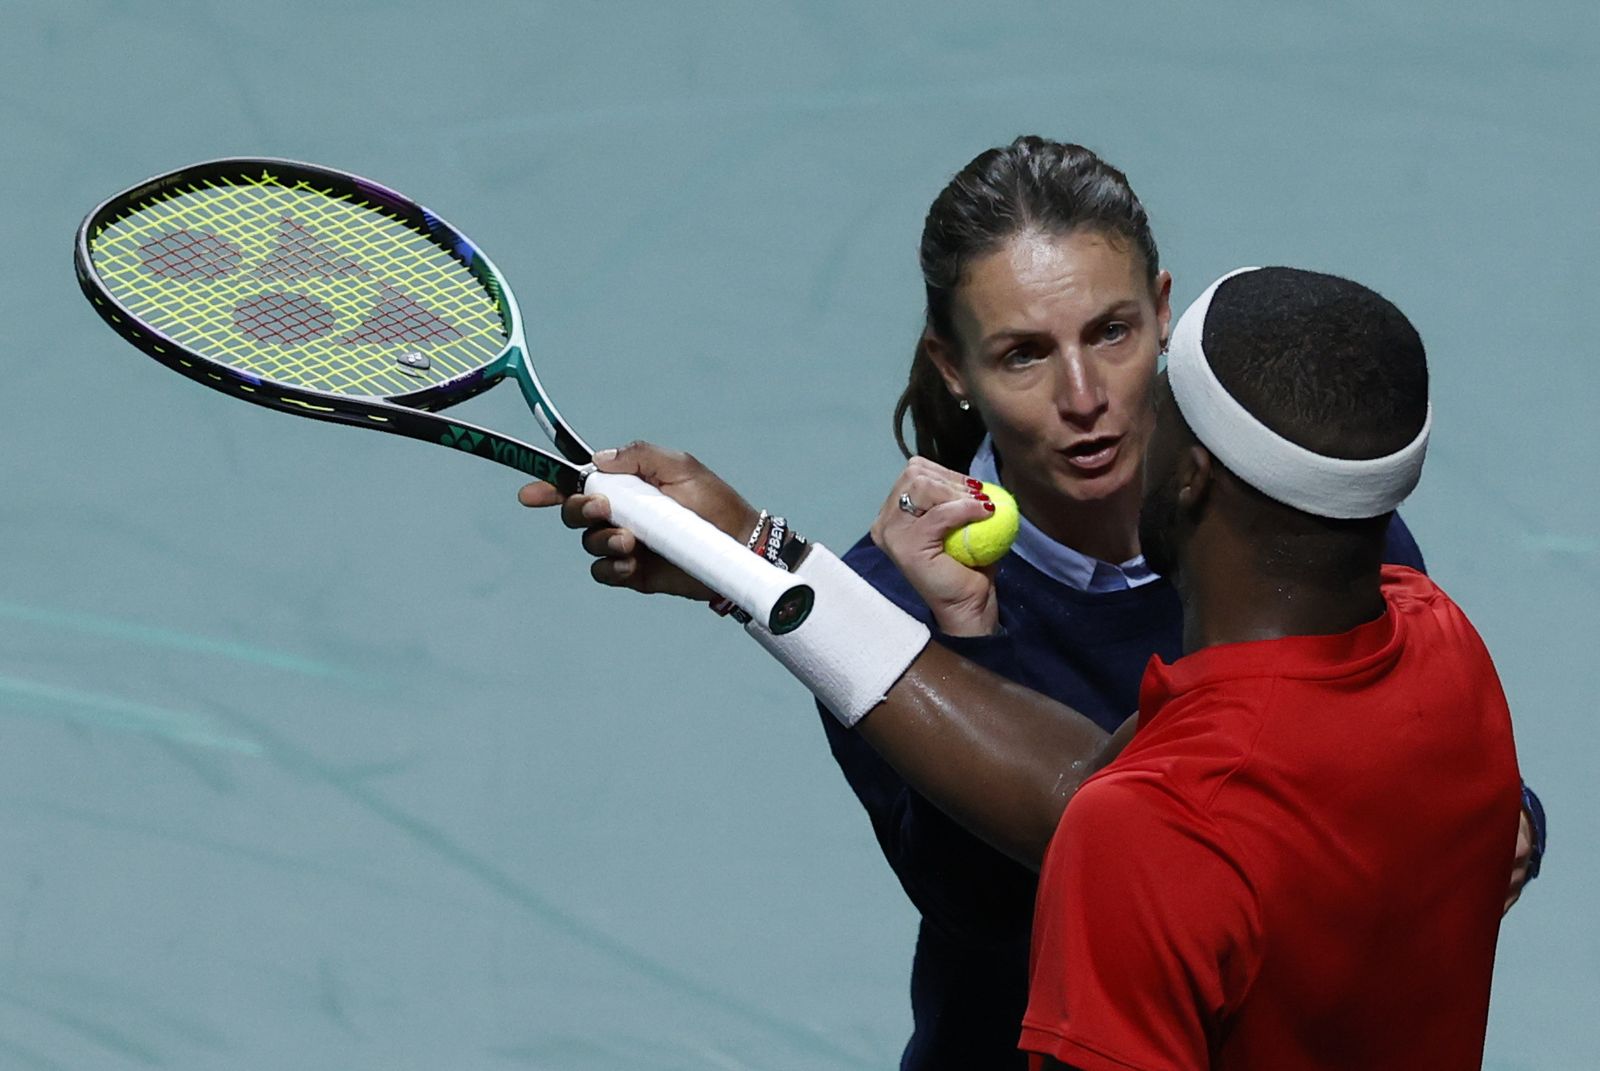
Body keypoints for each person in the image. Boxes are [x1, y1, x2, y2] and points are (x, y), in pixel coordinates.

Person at [524, 137, 1543, 1069]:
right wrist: (793, 572)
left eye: (1113, 334)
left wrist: (1497, 822)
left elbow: (1122, 817)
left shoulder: (1329, 562)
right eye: (1023, 353)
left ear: (1161, 323)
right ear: (953, 370)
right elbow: (997, 889)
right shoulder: (1420, 618)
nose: (1085, 395)